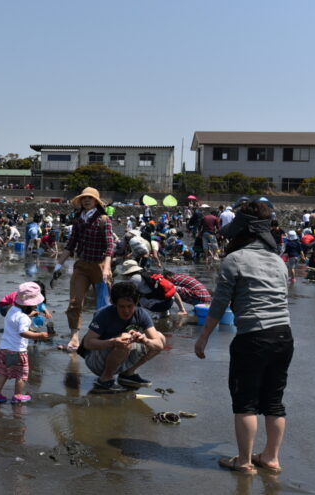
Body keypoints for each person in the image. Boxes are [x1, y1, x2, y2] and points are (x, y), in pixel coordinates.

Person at [195, 199, 293, 475]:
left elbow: (219, 303)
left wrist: (203, 337)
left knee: (245, 402)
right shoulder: (278, 260)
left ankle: (245, 461)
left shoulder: (234, 260)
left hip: (253, 337)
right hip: (284, 336)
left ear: (243, 232)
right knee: (274, 401)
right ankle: (271, 459)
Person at [55, 187, 114, 351]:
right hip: (81, 265)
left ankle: (100, 337)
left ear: (96, 201)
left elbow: (110, 247)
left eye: (90, 198)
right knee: (75, 302)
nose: (86, 200)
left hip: (100, 265)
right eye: (84, 198)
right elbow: (71, 244)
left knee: (103, 305)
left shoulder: (103, 220)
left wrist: (107, 268)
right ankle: (74, 338)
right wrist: (59, 264)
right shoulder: (78, 219)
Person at [79, 282, 167, 393]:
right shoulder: (103, 314)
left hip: (120, 353)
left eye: (130, 306)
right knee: (126, 339)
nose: (126, 311)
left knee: (160, 337)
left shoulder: (141, 314)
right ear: (114, 304)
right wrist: (112, 342)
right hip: (95, 360)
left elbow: (159, 345)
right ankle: (105, 379)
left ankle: (127, 374)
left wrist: (144, 340)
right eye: (122, 306)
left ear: (136, 303)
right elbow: (87, 343)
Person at [0, 282, 49, 403]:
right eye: (34, 306)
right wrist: (39, 335)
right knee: (21, 375)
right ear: (29, 305)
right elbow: (23, 332)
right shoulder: (24, 318)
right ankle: (17, 395)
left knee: (4, 373)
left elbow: (18, 318)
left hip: (3, 348)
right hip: (17, 351)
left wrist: (30, 314)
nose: (34, 308)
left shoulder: (12, 310)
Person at [116, 260, 187, 315]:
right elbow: (173, 290)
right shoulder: (150, 272)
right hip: (169, 302)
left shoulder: (134, 278)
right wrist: (182, 309)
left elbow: (130, 295)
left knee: (135, 297)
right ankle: (164, 313)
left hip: (158, 306)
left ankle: (142, 315)